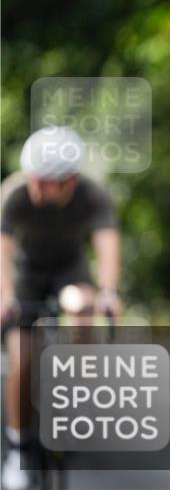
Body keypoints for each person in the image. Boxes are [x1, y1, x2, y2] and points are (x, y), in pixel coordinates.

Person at [0, 126, 123, 490]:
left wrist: (109, 291)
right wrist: (5, 295)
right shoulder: (14, 194)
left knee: (82, 307)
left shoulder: (93, 195)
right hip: (25, 275)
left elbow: (106, 245)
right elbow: (2, 251)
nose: (36, 187)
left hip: (70, 270)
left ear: (68, 181)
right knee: (22, 358)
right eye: (33, 179)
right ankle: (18, 449)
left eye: (46, 182)